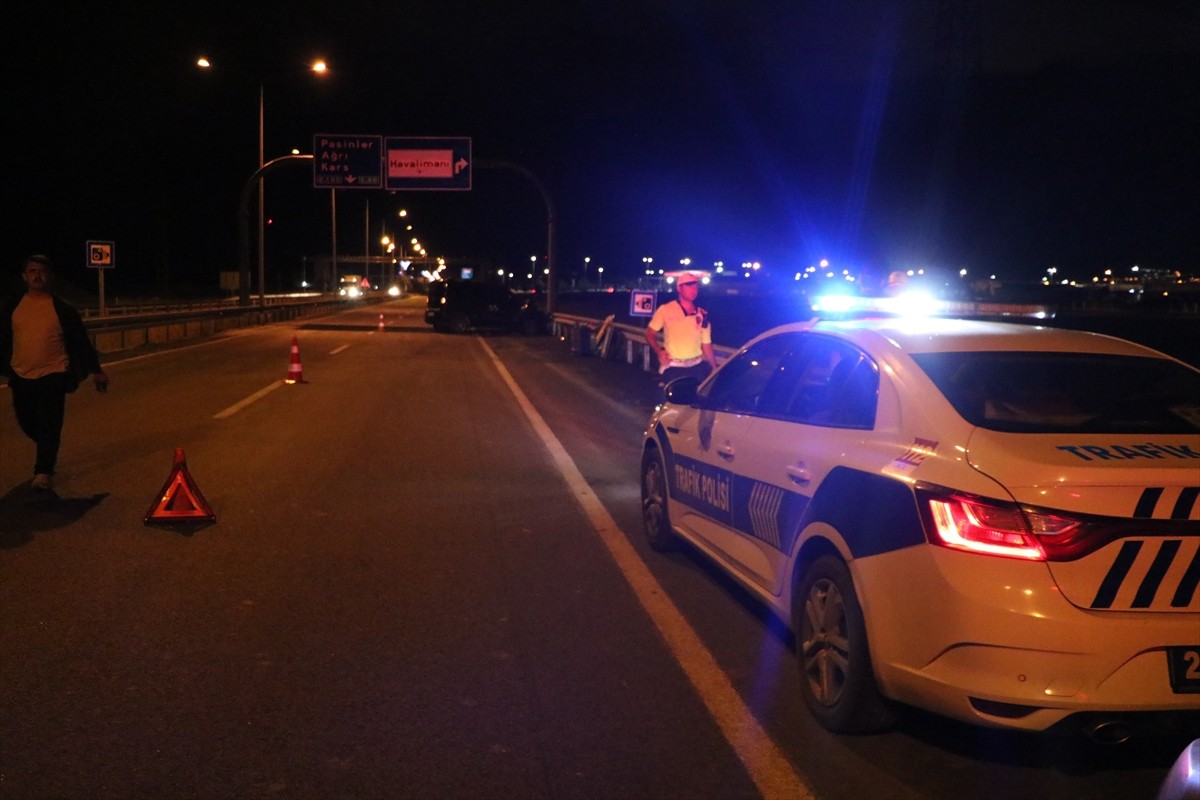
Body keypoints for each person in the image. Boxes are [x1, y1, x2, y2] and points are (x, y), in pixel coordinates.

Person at [0, 254, 109, 490]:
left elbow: (80, 341)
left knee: (50, 422)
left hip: (54, 373)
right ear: (24, 276)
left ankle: (43, 471)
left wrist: (96, 370)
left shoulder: (63, 309)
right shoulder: (12, 306)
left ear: (50, 276)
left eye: (42, 271)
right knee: (26, 420)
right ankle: (48, 445)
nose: (37, 276)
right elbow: (3, 338)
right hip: (21, 374)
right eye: (32, 271)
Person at [645, 270, 717, 387]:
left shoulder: (702, 314)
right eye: (689, 287)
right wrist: (659, 352)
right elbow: (650, 334)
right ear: (679, 288)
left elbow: (706, 344)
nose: (693, 291)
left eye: (695, 288)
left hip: (696, 367)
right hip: (673, 367)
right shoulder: (665, 310)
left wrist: (714, 367)